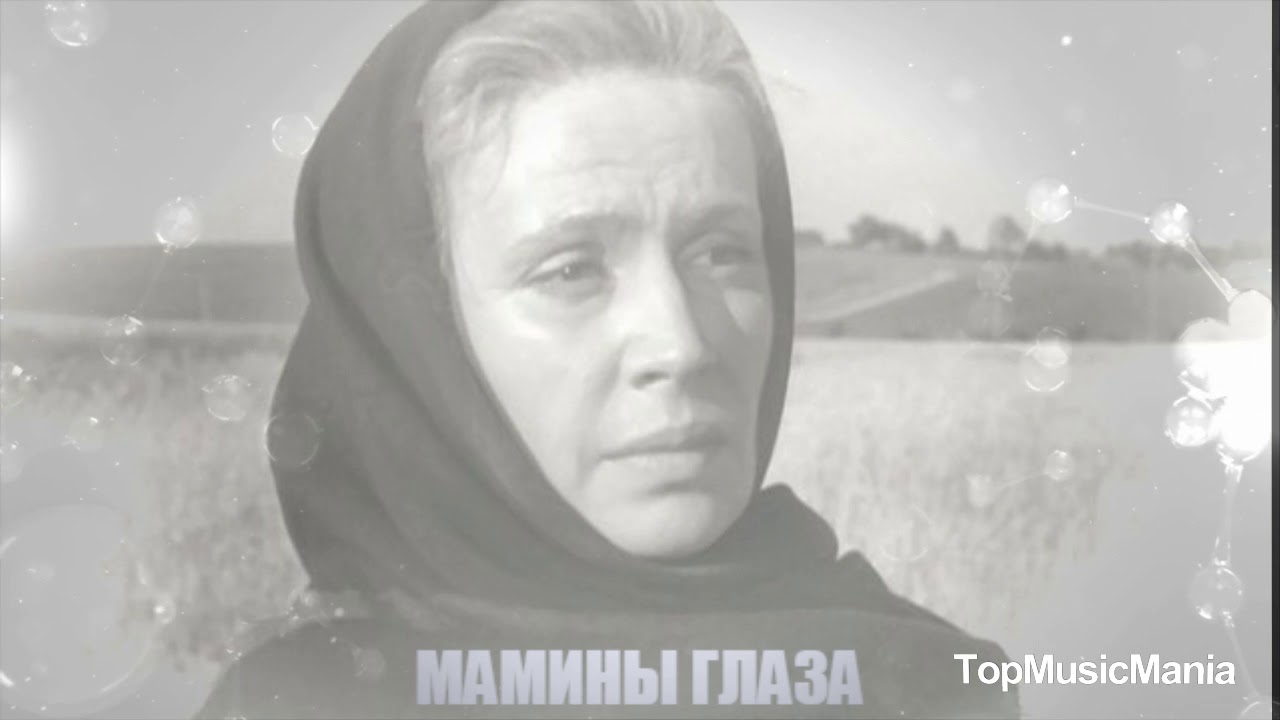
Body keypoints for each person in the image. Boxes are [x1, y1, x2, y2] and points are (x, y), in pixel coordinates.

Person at [194, 1, 1019, 717]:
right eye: (570, 271)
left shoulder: (925, 688)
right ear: (425, 338)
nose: (682, 345)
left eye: (722, 253)